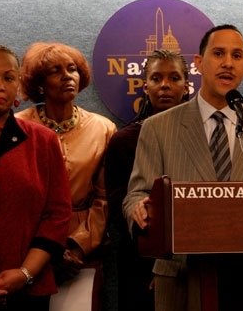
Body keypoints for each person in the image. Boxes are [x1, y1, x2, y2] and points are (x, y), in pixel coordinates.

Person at [123, 24, 243, 311]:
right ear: (199, 63)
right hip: (182, 276)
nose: (228, 63)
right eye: (219, 53)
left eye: (237, 55)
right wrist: (138, 208)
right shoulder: (157, 127)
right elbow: (135, 194)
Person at [0, 44, 72, 311]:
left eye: (8, 77)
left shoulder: (43, 141)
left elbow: (57, 215)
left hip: (28, 293)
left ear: (18, 84)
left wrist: (24, 274)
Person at [15, 42, 117, 309]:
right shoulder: (17, 127)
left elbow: (106, 198)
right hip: (26, 250)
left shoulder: (103, 128)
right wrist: (47, 254)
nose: (67, 76)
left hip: (83, 253)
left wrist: (77, 247)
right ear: (39, 82)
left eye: (72, 69)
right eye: (55, 71)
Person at [103, 49, 190, 311]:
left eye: (174, 78)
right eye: (156, 78)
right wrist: (156, 268)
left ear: (186, 86)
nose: (165, 85)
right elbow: (120, 212)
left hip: (195, 262)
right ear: (145, 86)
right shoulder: (123, 141)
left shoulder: (206, 137)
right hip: (139, 263)